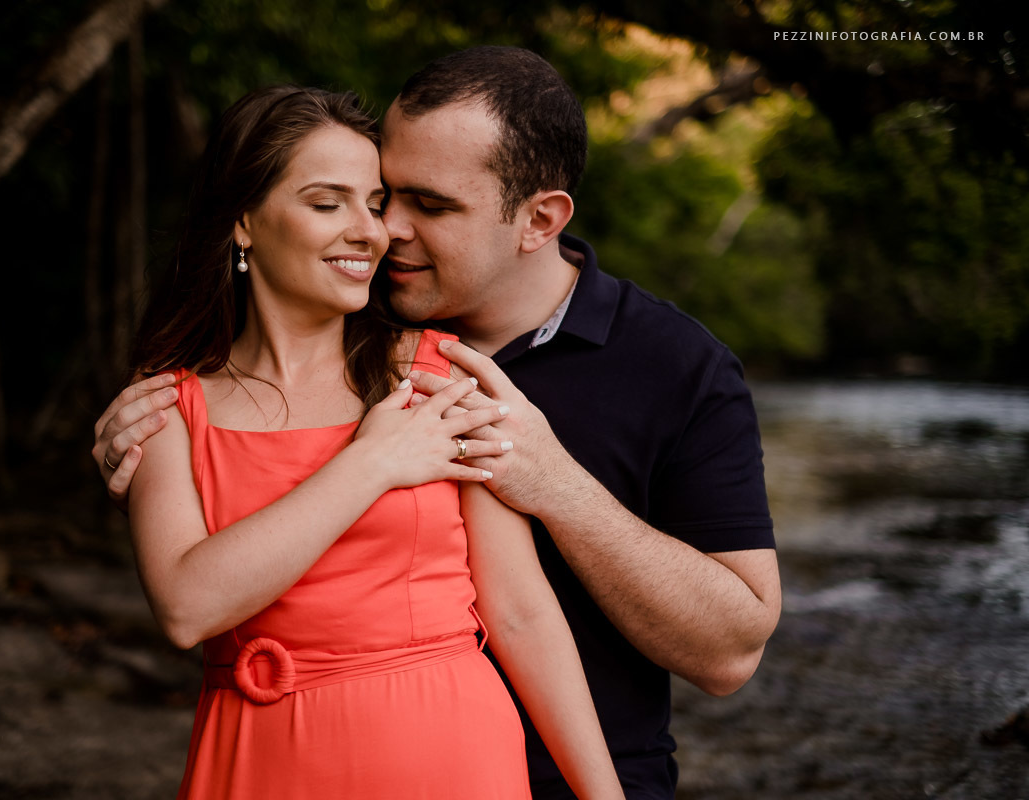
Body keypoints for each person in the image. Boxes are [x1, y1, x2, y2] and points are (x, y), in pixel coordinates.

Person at [96, 49, 781, 799]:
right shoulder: (342, 339)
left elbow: (712, 649)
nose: (384, 230)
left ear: (539, 220)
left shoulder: (669, 366)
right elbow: (194, 583)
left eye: (427, 204)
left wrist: (553, 481)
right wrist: (162, 463)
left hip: (533, 766)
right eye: (378, 198)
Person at [119, 85, 623, 799]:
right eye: (328, 204)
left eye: (374, 202)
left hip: (446, 753)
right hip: (257, 759)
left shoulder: (435, 373)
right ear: (244, 222)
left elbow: (519, 613)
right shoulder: (168, 402)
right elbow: (186, 607)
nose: (371, 232)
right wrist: (373, 464)